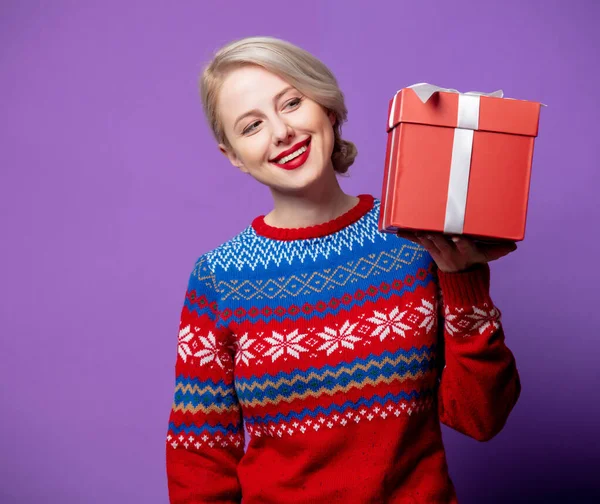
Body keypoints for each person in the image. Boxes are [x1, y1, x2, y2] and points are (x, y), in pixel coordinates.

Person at [165, 36, 521, 504]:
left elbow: (480, 418)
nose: (281, 132)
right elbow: (200, 457)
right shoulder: (219, 278)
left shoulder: (415, 236)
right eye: (251, 126)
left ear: (327, 107)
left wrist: (464, 281)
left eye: (291, 102)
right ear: (232, 154)